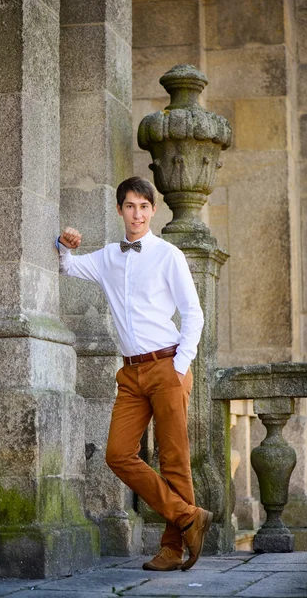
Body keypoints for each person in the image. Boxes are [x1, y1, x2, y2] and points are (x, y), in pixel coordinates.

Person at [56, 176, 212, 571]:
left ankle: (172, 550)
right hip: (130, 373)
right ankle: (189, 516)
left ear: (152, 211)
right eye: (130, 206)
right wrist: (64, 244)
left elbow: (193, 313)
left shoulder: (168, 255)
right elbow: (70, 267)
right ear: (119, 210)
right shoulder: (109, 256)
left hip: (166, 366)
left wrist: (179, 366)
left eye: (144, 206)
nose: (137, 214)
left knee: (174, 459)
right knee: (118, 454)